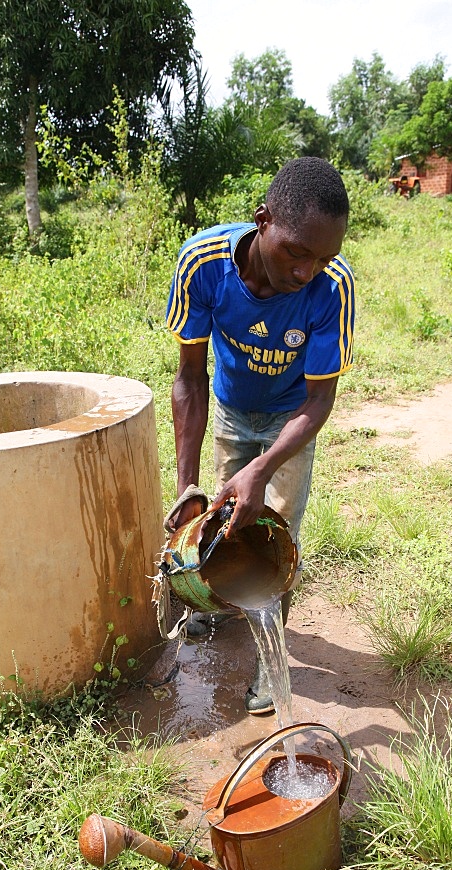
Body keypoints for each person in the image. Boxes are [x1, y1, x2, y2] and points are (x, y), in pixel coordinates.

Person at [166, 157, 355, 714]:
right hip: (229, 406)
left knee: (275, 534)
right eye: (297, 251)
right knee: (223, 518)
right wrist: (185, 488)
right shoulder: (203, 266)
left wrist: (265, 466)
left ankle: (270, 665)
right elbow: (189, 378)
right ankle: (213, 603)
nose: (307, 272)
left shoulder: (330, 288)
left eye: (323, 258)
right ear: (263, 219)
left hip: (290, 419)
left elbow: (319, 400)